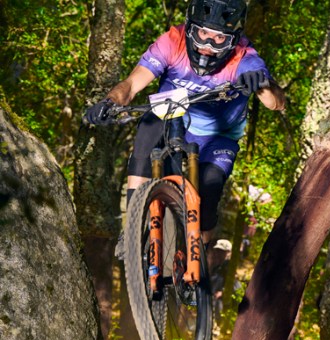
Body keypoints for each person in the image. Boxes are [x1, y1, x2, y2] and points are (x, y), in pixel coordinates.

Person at [84, 0, 286, 256]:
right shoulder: (171, 41)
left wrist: (261, 85)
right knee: (147, 129)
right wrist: (109, 102)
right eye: (203, 34)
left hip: (219, 135)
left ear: (233, 40)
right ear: (190, 29)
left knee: (209, 190)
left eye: (219, 39)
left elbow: (276, 103)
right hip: (172, 112)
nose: (208, 45)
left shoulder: (245, 57)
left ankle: (199, 257)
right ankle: (133, 226)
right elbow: (132, 85)